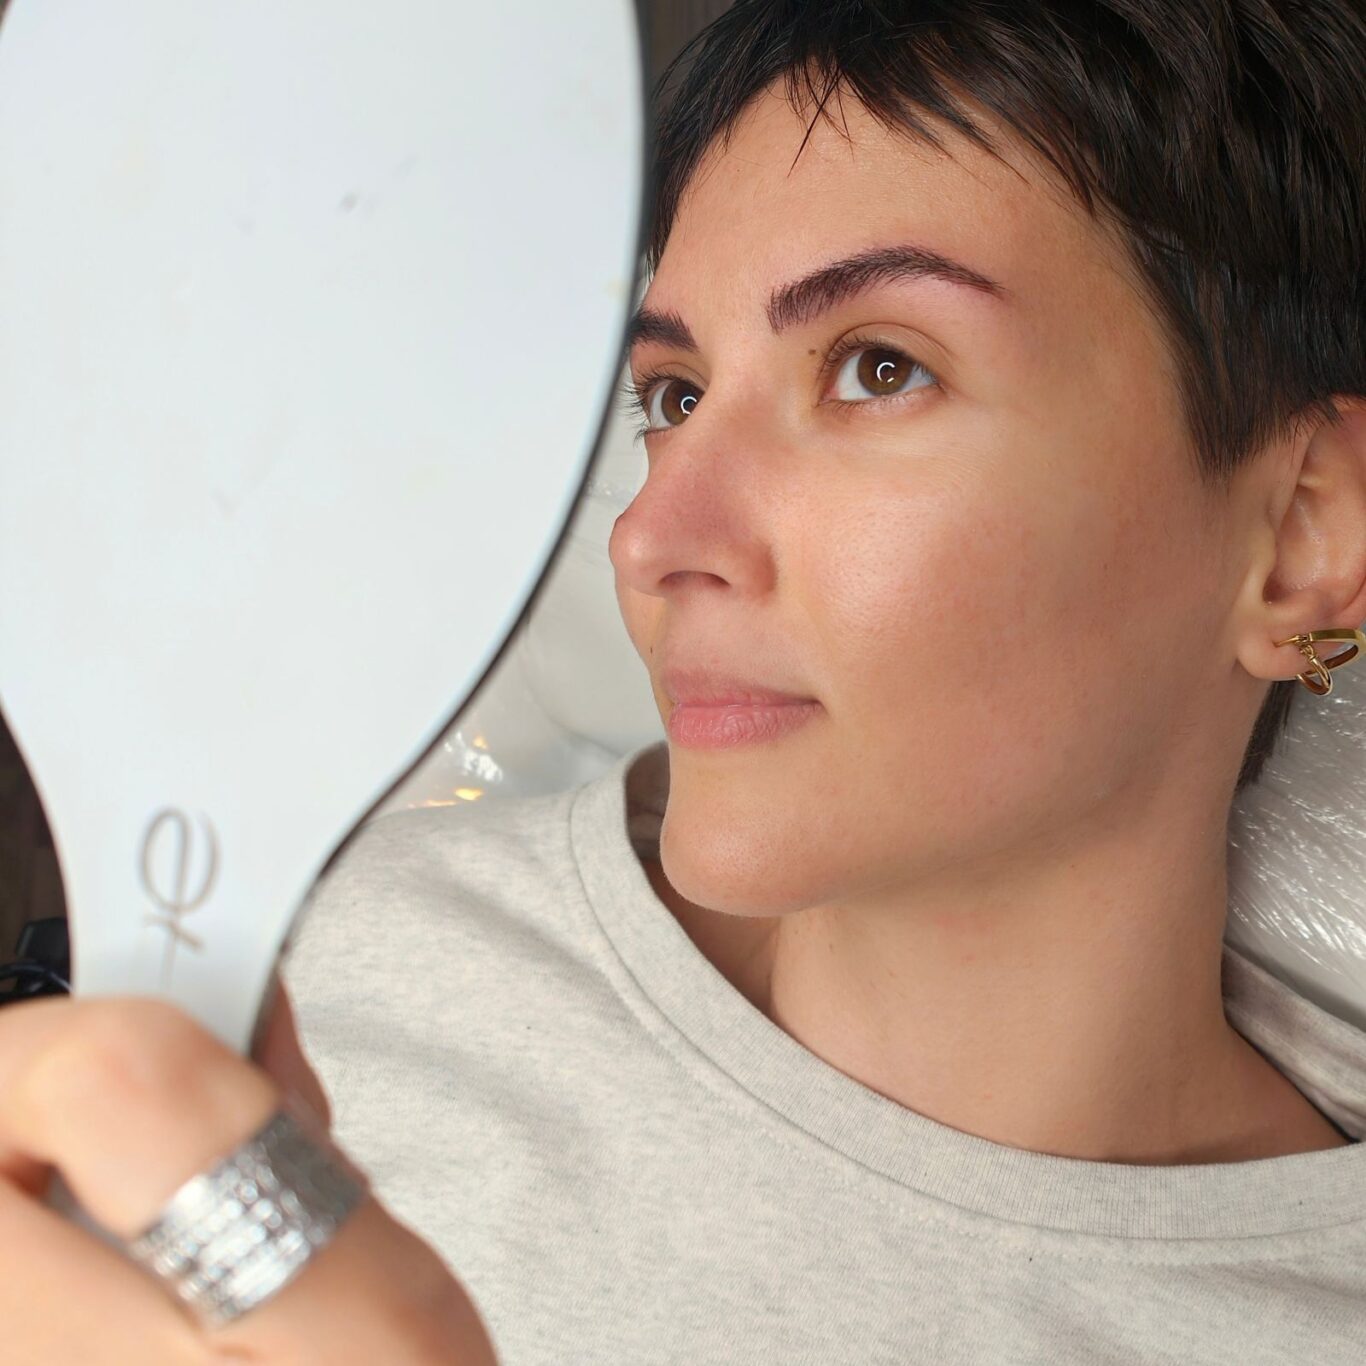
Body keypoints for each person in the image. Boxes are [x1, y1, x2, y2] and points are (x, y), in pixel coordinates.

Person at [2, 1, 1364, 1362]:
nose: (650, 537)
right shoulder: (334, 972)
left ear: (1303, 532)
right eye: (671, 393)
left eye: (878, 368)